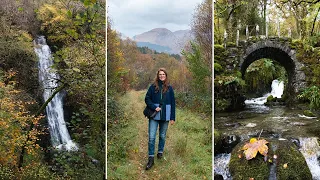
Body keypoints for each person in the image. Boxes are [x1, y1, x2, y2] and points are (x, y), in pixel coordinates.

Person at [144, 68, 175, 170]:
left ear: (166, 76)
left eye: (163, 74)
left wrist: (172, 117)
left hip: (165, 115)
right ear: (158, 76)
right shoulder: (153, 87)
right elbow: (147, 98)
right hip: (154, 115)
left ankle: (160, 152)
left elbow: (173, 103)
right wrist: (153, 106)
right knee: (152, 137)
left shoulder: (170, 88)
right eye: (160, 74)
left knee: (162, 135)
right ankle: (151, 158)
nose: (161, 76)